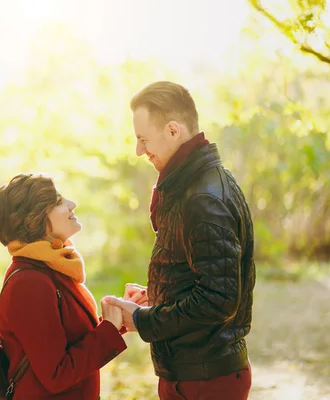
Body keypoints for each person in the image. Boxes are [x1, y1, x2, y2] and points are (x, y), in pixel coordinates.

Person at [105, 81, 256, 400]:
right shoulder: (195, 184)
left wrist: (142, 320)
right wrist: (157, 296)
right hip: (195, 374)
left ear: (173, 131)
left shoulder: (202, 198)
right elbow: (205, 279)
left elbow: (218, 300)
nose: (139, 150)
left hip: (205, 380)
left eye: (143, 139)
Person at [0, 173, 128, 400]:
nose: (72, 204)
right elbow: (57, 374)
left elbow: (67, 342)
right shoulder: (29, 282)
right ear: (35, 218)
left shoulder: (48, 268)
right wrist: (109, 330)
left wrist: (117, 321)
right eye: (58, 201)